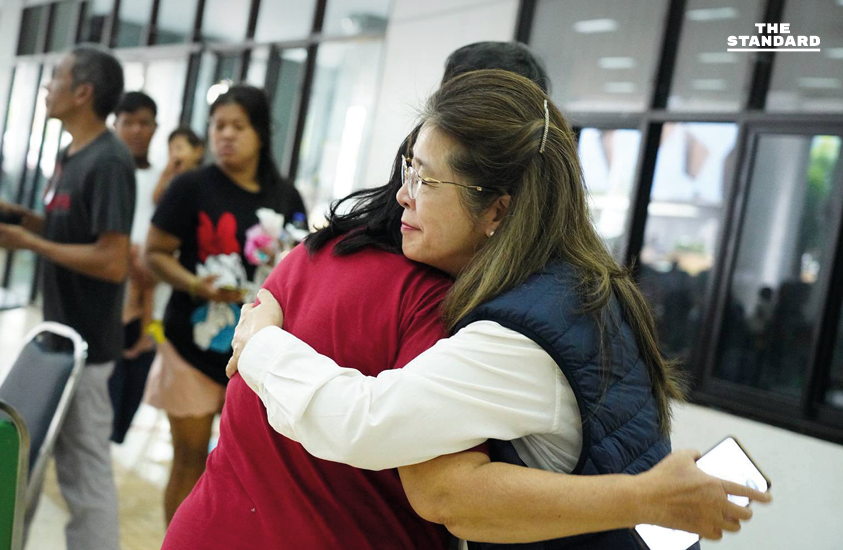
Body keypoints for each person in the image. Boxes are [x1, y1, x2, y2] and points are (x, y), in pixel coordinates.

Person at [163, 45, 766, 550]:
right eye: (408, 169)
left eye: (426, 180)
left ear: (498, 208)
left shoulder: (515, 331)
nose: (404, 195)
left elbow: (377, 433)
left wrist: (263, 341)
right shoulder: (579, 285)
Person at [143, 84, 306, 527]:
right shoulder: (191, 186)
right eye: (218, 126)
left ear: (260, 133)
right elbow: (153, 253)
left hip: (255, 354)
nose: (225, 135)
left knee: (242, 468)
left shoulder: (285, 196)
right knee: (189, 458)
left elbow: (302, 268)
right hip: (191, 343)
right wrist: (196, 283)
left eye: (238, 126)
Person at [0, 44, 133, 550]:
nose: (46, 86)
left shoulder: (111, 160)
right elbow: (66, 228)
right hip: (58, 336)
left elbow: (112, 259)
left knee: (85, 476)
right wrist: (16, 214)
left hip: (89, 347)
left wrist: (30, 242)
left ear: (83, 92)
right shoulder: (69, 155)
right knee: (32, 465)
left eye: (55, 77)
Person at [109, 90, 161, 443]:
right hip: (110, 298)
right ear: (116, 124)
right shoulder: (105, 172)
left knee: (133, 384)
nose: (136, 130)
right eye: (128, 122)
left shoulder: (162, 182)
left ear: (155, 127)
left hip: (152, 301)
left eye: (144, 123)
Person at [152, 127, 205, 204]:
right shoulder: (171, 180)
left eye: (179, 148)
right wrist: (166, 175)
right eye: (170, 150)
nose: (174, 154)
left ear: (198, 151)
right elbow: (157, 200)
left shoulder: (204, 180)